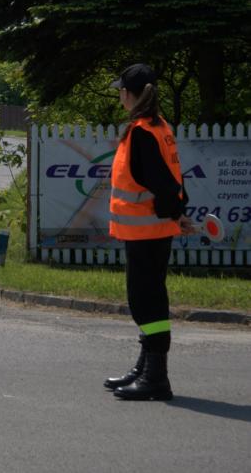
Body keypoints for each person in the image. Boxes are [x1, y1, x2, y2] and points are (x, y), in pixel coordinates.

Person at [105, 64, 191, 402]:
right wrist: (179, 213)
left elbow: (163, 182)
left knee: (146, 302)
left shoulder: (142, 132)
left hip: (146, 232)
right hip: (152, 229)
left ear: (128, 94)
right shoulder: (159, 127)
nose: (119, 96)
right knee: (148, 298)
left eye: (120, 90)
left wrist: (176, 212)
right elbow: (173, 178)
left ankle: (156, 377)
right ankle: (145, 368)